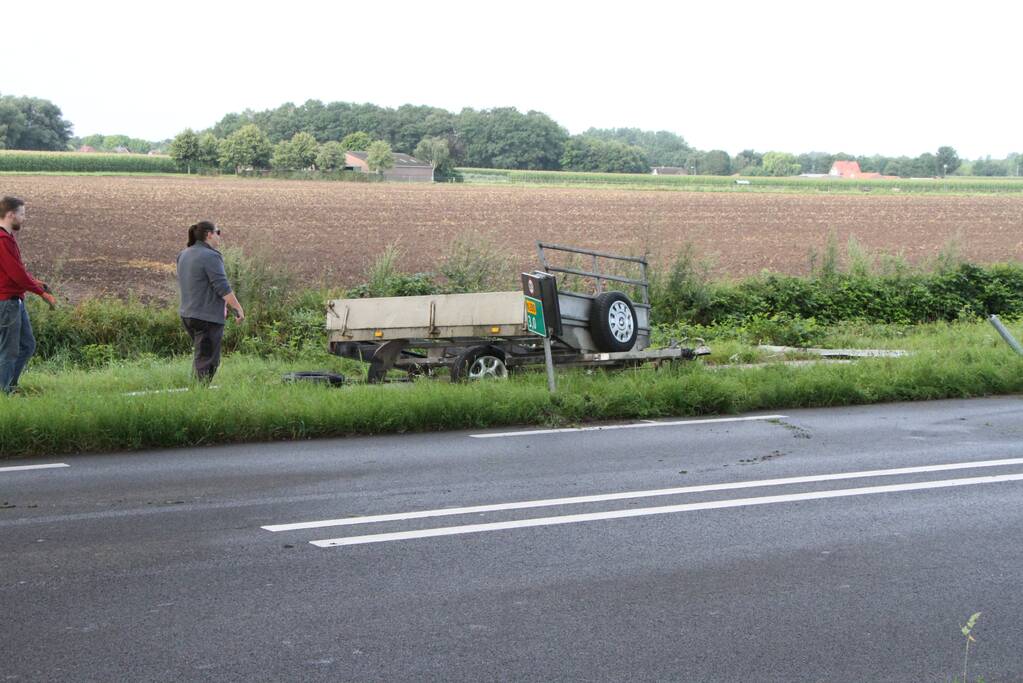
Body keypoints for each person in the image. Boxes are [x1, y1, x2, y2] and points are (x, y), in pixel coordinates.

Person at [0, 196, 57, 395]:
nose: (24, 218)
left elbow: (18, 270)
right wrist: (41, 293)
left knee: (27, 345)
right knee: (9, 350)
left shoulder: (8, 238)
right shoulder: (2, 240)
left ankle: (9, 387)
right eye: (22, 214)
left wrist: (36, 282)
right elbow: (16, 275)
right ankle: (5, 392)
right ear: (10, 214)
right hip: (7, 303)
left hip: (16, 302)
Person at [176, 221, 244, 383]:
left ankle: (196, 393)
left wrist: (222, 305)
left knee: (202, 357)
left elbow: (198, 284)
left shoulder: (184, 254)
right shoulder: (211, 256)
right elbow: (222, 286)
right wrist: (238, 308)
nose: (219, 237)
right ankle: (197, 397)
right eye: (217, 232)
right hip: (206, 317)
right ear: (209, 234)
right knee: (209, 362)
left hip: (188, 314)